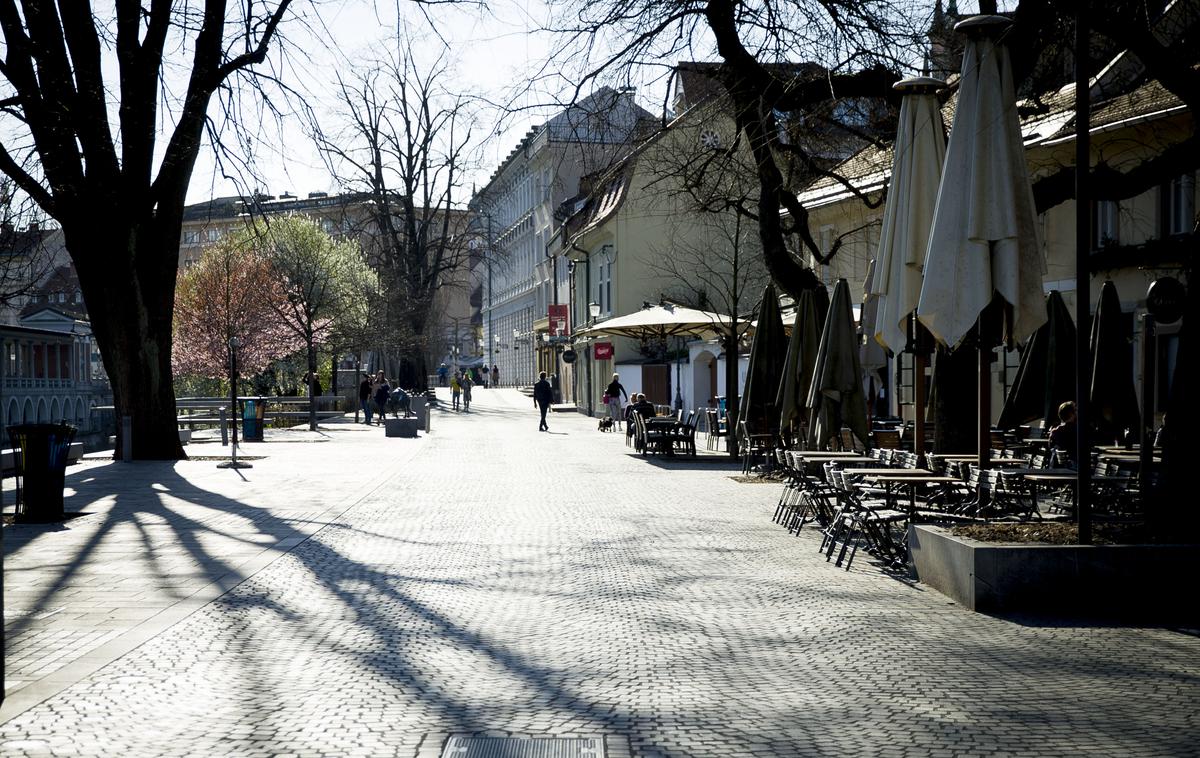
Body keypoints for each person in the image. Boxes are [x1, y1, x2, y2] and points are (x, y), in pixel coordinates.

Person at [1048, 401, 1078, 468]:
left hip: (1056, 467)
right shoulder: (1078, 430)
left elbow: (1050, 447)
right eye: (1076, 410)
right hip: (1074, 468)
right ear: (1072, 414)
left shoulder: (1055, 431)